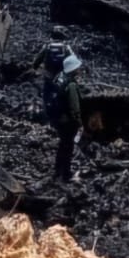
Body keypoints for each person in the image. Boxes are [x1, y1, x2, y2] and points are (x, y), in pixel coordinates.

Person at [43, 53, 85, 182]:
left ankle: (57, 170)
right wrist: (79, 121)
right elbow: (74, 106)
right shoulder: (71, 85)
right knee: (68, 147)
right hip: (68, 121)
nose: (79, 69)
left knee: (63, 145)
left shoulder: (61, 80)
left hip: (60, 120)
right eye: (78, 67)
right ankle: (66, 175)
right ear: (73, 69)